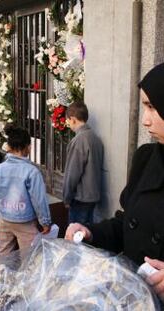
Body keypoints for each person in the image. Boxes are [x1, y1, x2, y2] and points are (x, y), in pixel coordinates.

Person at [65, 63, 164, 302]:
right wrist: (91, 233)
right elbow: (126, 224)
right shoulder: (146, 158)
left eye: (152, 107)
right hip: (132, 295)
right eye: (143, 107)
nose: (145, 121)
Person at [0, 125, 51, 255]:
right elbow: (39, 200)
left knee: (3, 256)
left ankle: (2, 275)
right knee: (29, 259)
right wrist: (45, 222)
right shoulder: (32, 172)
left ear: (9, 147)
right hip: (25, 222)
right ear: (28, 147)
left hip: (4, 219)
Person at [63, 102, 103, 225]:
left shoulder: (79, 140)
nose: (68, 124)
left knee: (76, 237)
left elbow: (72, 174)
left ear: (73, 119)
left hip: (81, 198)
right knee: (86, 233)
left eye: (68, 121)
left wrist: (66, 198)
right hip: (93, 195)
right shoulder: (95, 137)